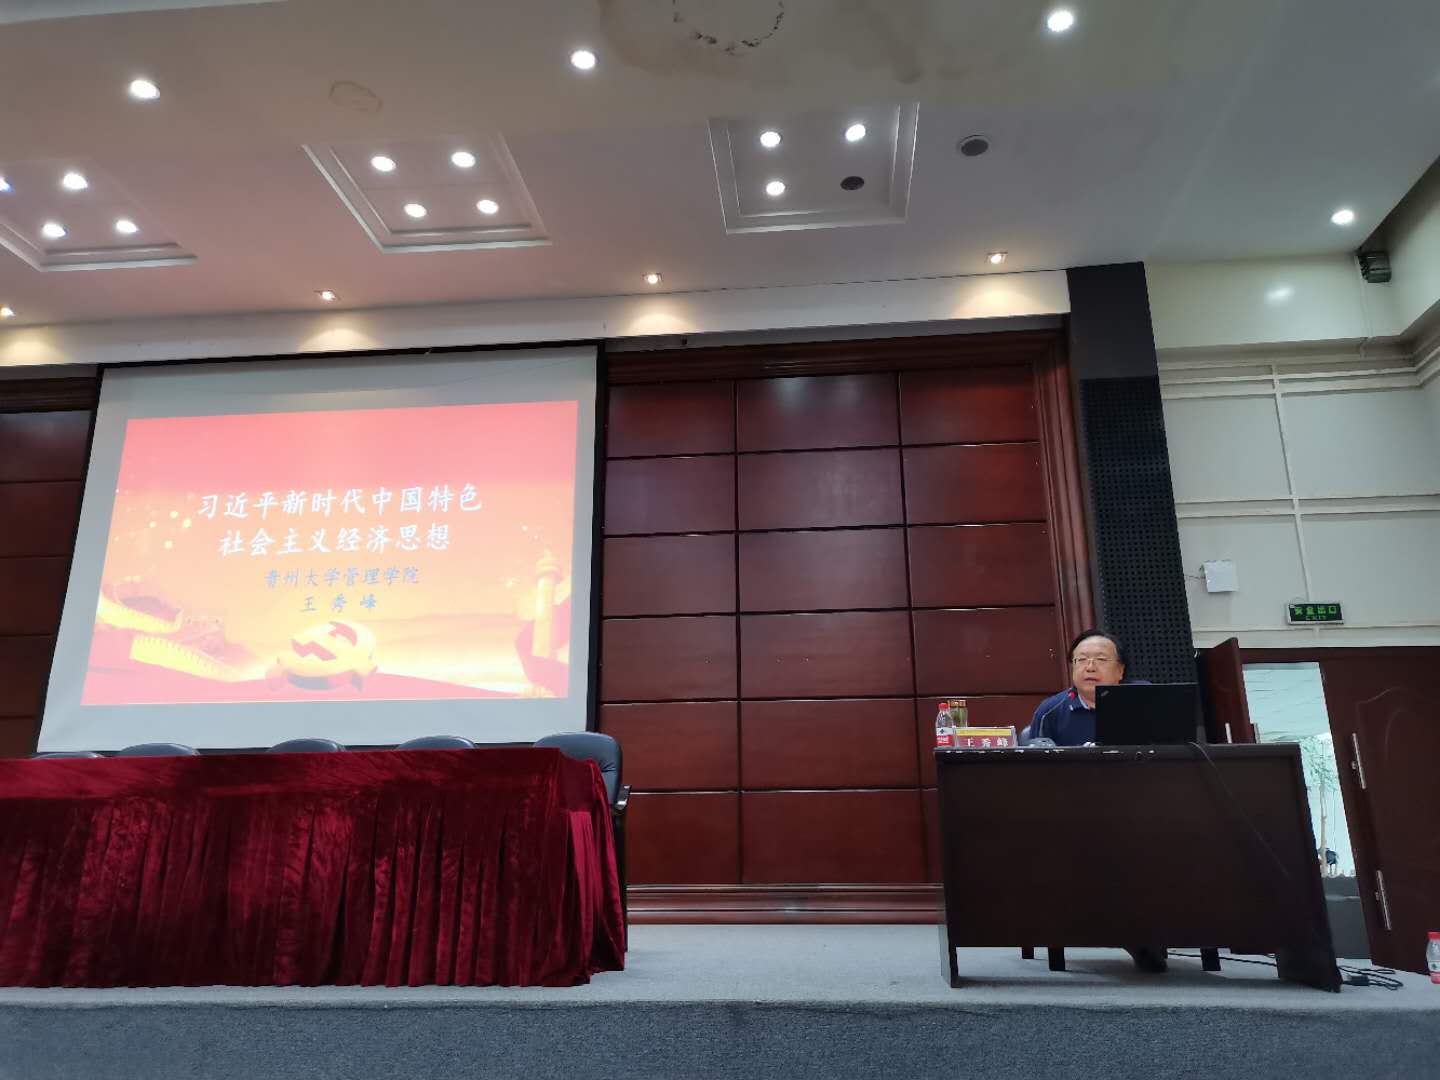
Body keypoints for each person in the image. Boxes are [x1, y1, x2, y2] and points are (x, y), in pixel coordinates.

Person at [1022, 629, 1143, 747]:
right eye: (1081, 659)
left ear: (1120, 670)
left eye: (1101, 659)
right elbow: (1037, 758)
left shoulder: (1144, 699)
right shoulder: (1050, 710)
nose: (1090, 668)